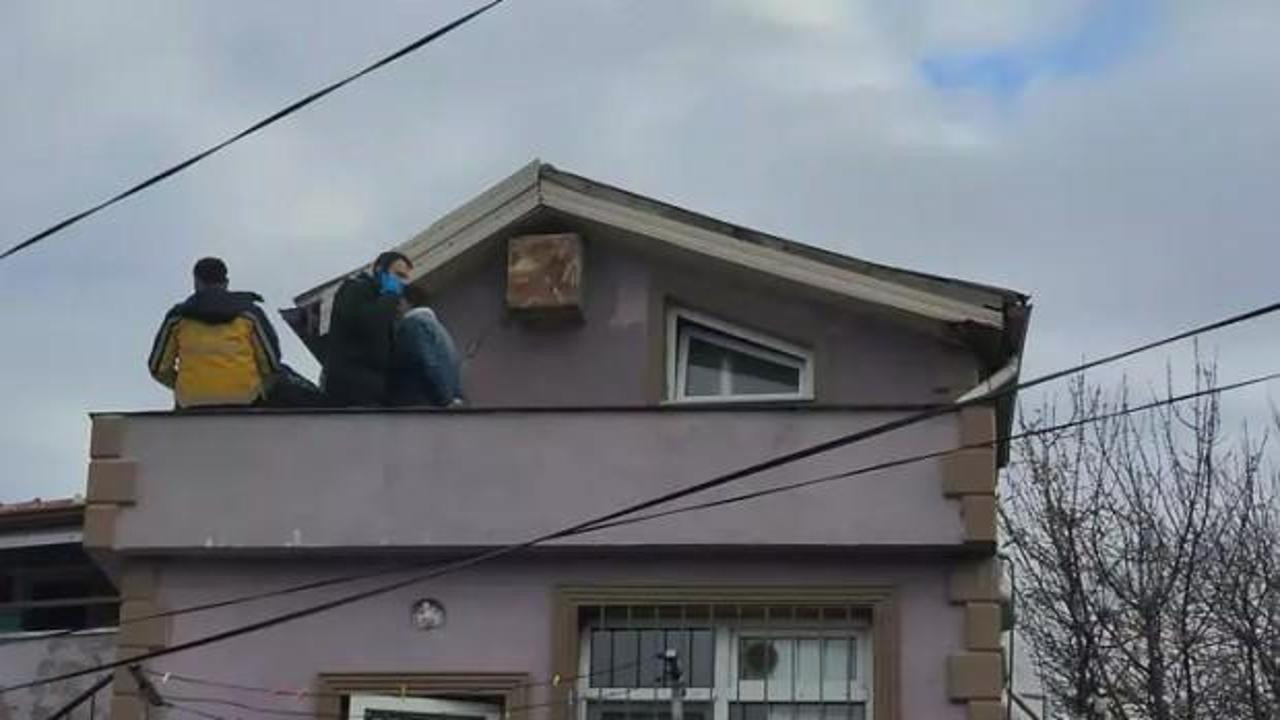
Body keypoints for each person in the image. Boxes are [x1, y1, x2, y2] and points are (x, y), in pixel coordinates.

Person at [148, 257, 283, 408]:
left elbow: (157, 368)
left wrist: (182, 387)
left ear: (196, 282)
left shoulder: (177, 317)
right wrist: (258, 389)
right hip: (244, 401)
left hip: (191, 403)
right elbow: (271, 365)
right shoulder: (250, 313)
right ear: (226, 282)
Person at [322, 251, 412, 406]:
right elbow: (368, 324)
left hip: (375, 390)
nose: (401, 282)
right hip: (352, 388)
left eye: (404, 278)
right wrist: (390, 296)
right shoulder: (355, 288)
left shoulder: (384, 303)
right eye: (398, 275)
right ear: (380, 270)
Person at [390, 284, 464, 407]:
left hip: (422, 401)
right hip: (441, 399)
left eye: (399, 302)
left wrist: (446, 399)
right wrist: (454, 397)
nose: (396, 307)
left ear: (408, 302)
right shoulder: (437, 326)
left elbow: (428, 361)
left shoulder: (413, 324)